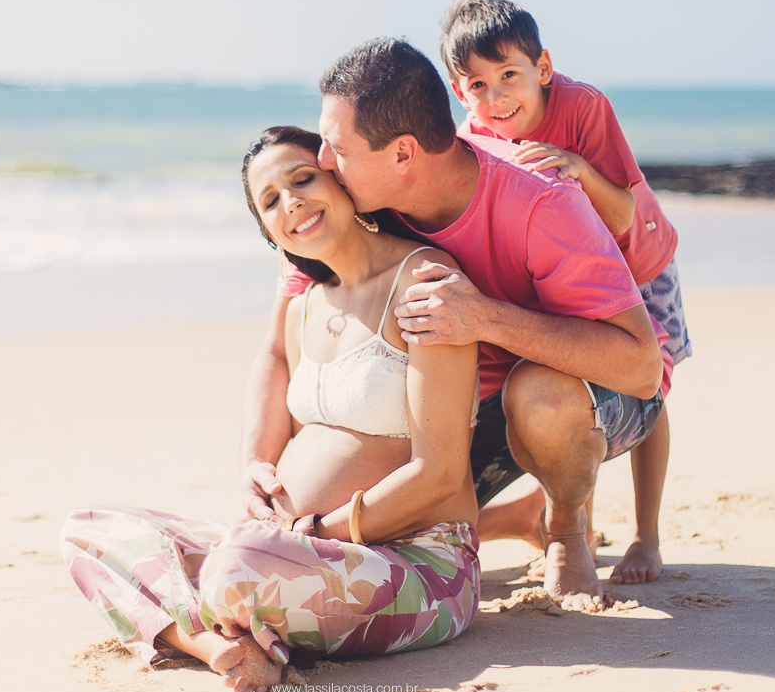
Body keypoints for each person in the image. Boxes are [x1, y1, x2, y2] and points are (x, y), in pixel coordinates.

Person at [61, 126, 482, 692]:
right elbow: (271, 363)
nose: (293, 203)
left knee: (234, 567)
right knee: (89, 532)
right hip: (288, 553)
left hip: (421, 566)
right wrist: (255, 469)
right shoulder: (304, 304)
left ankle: (230, 623)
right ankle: (221, 649)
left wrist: (317, 534)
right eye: (271, 201)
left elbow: (442, 472)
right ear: (267, 230)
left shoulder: (422, 282)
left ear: (340, 176)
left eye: (302, 179)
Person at [246, 38, 665, 611]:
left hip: (597, 394)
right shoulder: (358, 210)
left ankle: (565, 527)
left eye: (336, 148)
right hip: (474, 406)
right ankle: (515, 517)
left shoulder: (541, 203)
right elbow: (276, 349)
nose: (321, 161)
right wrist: (259, 464)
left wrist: (488, 319)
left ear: (402, 154)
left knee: (537, 393)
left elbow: (641, 367)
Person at [440, 0, 693, 585]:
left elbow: (625, 211)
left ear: (543, 68)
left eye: (509, 76)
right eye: (477, 85)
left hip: (641, 262)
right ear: (459, 91)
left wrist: (578, 170)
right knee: (577, 390)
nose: (496, 97)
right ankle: (571, 521)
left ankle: (645, 537)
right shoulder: (472, 140)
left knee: (651, 388)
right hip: (570, 279)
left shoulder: (582, 106)